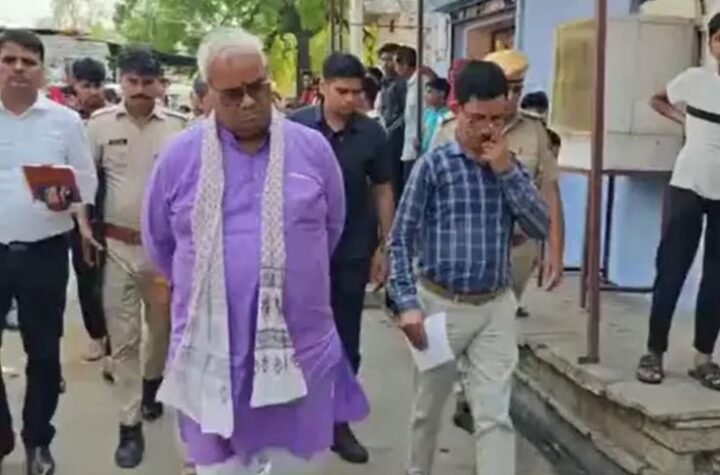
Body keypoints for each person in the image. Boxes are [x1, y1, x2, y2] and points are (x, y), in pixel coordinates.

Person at [141, 28, 369, 475]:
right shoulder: (179, 157)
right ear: (208, 94)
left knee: (292, 466)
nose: (248, 102)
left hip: (297, 353)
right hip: (211, 356)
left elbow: (331, 229)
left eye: (257, 87)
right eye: (232, 94)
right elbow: (160, 244)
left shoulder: (312, 150)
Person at [388, 60, 550, 475]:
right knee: (428, 410)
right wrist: (407, 304)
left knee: (494, 415)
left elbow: (539, 225)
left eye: (497, 119)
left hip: (495, 307)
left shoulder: (509, 166)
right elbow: (400, 238)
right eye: (478, 118)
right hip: (439, 307)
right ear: (458, 110)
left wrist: (506, 171)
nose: (488, 130)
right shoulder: (434, 166)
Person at [0, 29, 98, 475]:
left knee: (42, 353)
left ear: (42, 71)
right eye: (9, 60)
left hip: (44, 252)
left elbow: (86, 184)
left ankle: (38, 441)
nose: (19, 68)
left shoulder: (65, 121)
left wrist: (70, 201)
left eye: (28, 61)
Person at [84, 46, 187, 468]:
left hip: (164, 251)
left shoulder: (180, 127)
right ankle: (129, 426)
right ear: (121, 82)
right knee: (123, 337)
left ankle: (151, 386)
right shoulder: (99, 126)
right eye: (132, 81)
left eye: (148, 82)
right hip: (117, 248)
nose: (140, 90)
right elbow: (84, 184)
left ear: (160, 84)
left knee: (160, 330)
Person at [289, 52, 394, 465]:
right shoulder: (294, 128)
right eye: (342, 91)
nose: (351, 100)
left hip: (352, 250)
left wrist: (385, 246)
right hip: (300, 252)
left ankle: (338, 422)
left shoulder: (372, 134)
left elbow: (382, 188)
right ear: (322, 86)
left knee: (346, 340)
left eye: (357, 92)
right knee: (297, 337)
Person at [635, 13, 720, 391]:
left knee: (717, 278)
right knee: (672, 270)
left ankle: (704, 358)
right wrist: (683, 121)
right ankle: (654, 351)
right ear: (712, 43)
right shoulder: (694, 80)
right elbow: (657, 98)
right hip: (687, 184)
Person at [67, 58, 112, 367]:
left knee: (112, 280)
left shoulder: (114, 120)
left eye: (98, 85)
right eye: (86, 85)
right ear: (75, 86)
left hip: (111, 212)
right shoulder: (67, 122)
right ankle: (97, 336)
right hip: (78, 213)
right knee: (87, 277)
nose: (93, 92)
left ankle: (115, 338)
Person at [397, 46, 437, 182]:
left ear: (404, 64)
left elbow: (427, 113)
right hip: (410, 143)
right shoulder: (409, 83)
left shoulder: (422, 82)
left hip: (419, 143)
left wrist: (423, 138)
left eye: (397, 64)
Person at [377, 43, 407, 201]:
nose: (386, 64)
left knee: (394, 176)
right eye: (383, 60)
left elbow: (404, 113)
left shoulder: (401, 83)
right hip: (385, 131)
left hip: (397, 135)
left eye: (389, 59)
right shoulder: (384, 82)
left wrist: (391, 130)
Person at [421, 77, 451, 155]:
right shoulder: (427, 113)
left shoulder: (448, 116)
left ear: (442, 94)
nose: (425, 95)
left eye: (429, 92)